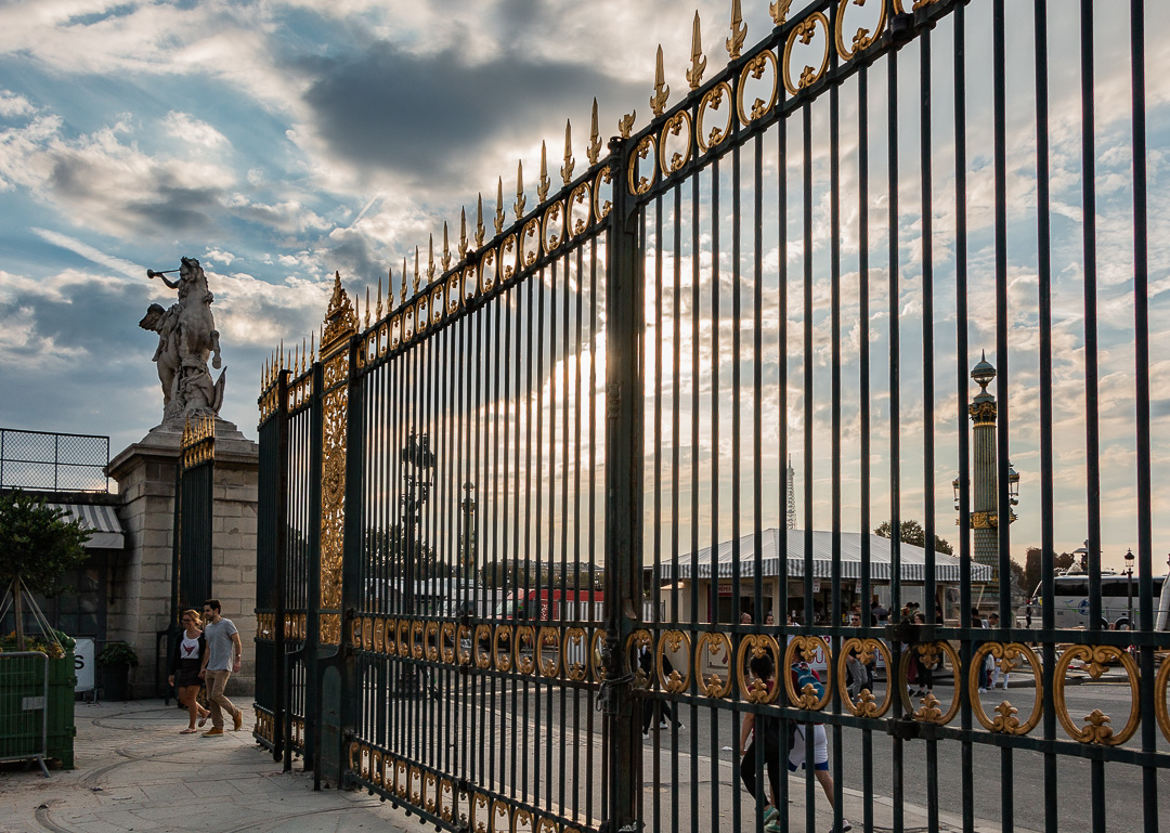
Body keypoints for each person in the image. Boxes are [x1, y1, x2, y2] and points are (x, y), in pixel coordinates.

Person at [787, 658, 851, 832]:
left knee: (777, 770)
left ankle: (777, 817)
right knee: (824, 777)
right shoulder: (811, 671)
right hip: (818, 729)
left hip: (800, 730)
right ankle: (841, 818)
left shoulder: (789, 673)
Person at [738, 654, 783, 833]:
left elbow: (750, 717)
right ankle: (779, 822)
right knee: (776, 779)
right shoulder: (777, 687)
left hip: (763, 739)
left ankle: (766, 808)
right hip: (781, 738)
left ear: (754, 671)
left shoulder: (754, 688)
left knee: (746, 771)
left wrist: (741, 743)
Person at [199, 599, 244, 736]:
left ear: (216, 610)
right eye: (205, 610)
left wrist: (237, 660)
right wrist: (203, 667)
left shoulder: (227, 624)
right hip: (211, 666)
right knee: (211, 698)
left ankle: (236, 713)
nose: (205, 613)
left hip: (224, 665)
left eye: (208, 610)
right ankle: (218, 727)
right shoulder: (208, 628)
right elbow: (208, 649)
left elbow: (237, 641)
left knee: (216, 694)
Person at [168, 609, 210, 733]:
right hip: (184, 667)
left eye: (188, 620)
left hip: (196, 667)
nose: (185, 623)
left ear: (195, 621)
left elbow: (206, 653)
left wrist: (204, 668)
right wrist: (172, 672)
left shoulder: (202, 636)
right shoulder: (181, 636)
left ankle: (192, 726)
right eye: (183, 620)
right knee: (183, 698)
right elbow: (176, 655)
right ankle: (204, 712)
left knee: (191, 697)